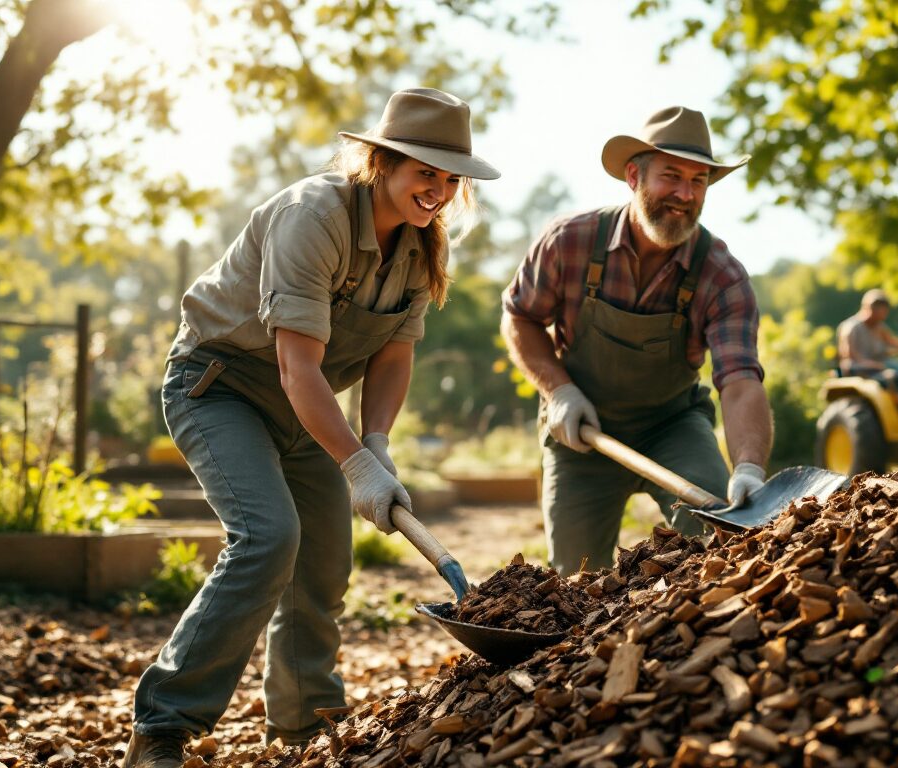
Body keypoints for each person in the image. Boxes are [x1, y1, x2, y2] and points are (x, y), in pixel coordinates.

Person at [123, 88, 499, 768]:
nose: (439, 191)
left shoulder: (421, 246)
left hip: (310, 407)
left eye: (450, 179)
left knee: (323, 563)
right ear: (381, 161)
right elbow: (297, 366)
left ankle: (304, 728)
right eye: (426, 173)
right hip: (222, 387)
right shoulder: (313, 215)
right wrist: (355, 465)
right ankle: (162, 725)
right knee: (269, 537)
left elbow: (393, 354)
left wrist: (377, 444)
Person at [502, 106, 773, 575]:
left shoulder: (721, 275)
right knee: (574, 577)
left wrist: (749, 466)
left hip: (671, 425)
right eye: (672, 176)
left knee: (718, 541)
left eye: (699, 181)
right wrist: (559, 390)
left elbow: (740, 379)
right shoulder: (570, 242)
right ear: (633, 175)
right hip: (582, 431)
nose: (685, 195)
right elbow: (520, 318)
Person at [837, 289, 898, 393]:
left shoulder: (879, 327)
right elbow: (850, 356)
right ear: (868, 308)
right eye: (880, 311)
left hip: (880, 363)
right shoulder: (851, 327)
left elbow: (896, 343)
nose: (883, 316)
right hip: (861, 368)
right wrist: (875, 365)